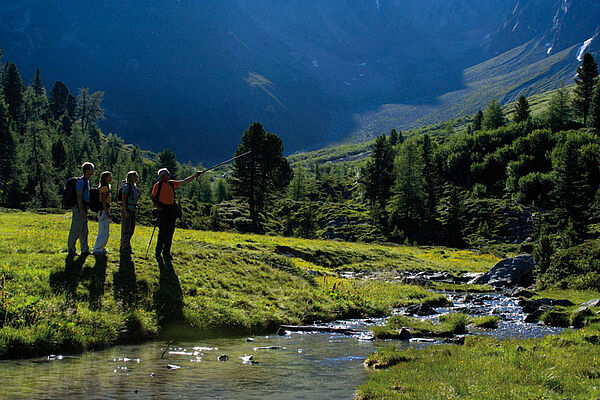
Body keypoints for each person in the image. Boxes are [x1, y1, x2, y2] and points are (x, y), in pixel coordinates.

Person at [151, 168, 200, 260]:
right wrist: (158, 207)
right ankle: (158, 252)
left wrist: (195, 175)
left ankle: (166, 253)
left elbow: (184, 182)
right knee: (162, 232)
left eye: (166, 175)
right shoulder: (157, 185)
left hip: (171, 210)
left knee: (170, 232)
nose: (167, 176)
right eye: (164, 175)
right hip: (162, 210)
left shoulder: (171, 183)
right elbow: (152, 197)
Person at [67, 162, 95, 256]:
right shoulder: (81, 182)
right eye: (92, 169)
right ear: (87, 170)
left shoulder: (86, 181)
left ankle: (84, 250)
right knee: (75, 229)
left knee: (84, 230)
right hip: (80, 208)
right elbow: (79, 197)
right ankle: (71, 249)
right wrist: (81, 210)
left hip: (84, 207)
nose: (93, 171)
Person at [92, 171, 112, 256]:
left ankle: (101, 248)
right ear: (105, 178)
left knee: (105, 231)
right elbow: (103, 201)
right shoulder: (104, 188)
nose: (111, 178)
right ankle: (97, 249)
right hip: (103, 211)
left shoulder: (106, 187)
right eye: (109, 177)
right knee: (103, 231)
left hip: (104, 210)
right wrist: (107, 212)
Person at [120, 171, 140, 254]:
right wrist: (125, 210)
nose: (137, 177)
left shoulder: (134, 187)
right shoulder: (127, 187)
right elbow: (123, 199)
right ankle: (124, 248)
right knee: (126, 229)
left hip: (132, 209)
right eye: (135, 176)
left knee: (131, 229)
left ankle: (126, 246)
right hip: (127, 209)